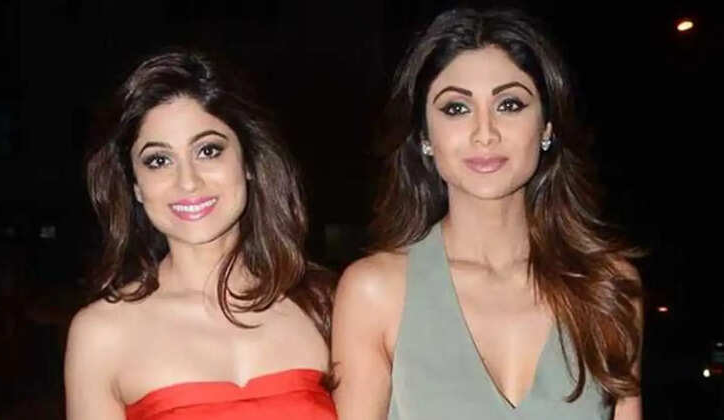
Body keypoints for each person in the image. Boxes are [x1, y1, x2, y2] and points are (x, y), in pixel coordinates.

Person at [332, 8, 643, 420]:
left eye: (509, 104)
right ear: (424, 135)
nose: (485, 133)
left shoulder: (609, 287)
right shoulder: (376, 292)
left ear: (547, 127)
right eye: (456, 108)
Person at [64, 50, 336, 420]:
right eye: (159, 160)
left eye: (208, 151)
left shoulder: (324, 305)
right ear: (136, 185)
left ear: (249, 161)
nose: (188, 181)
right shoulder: (102, 334)